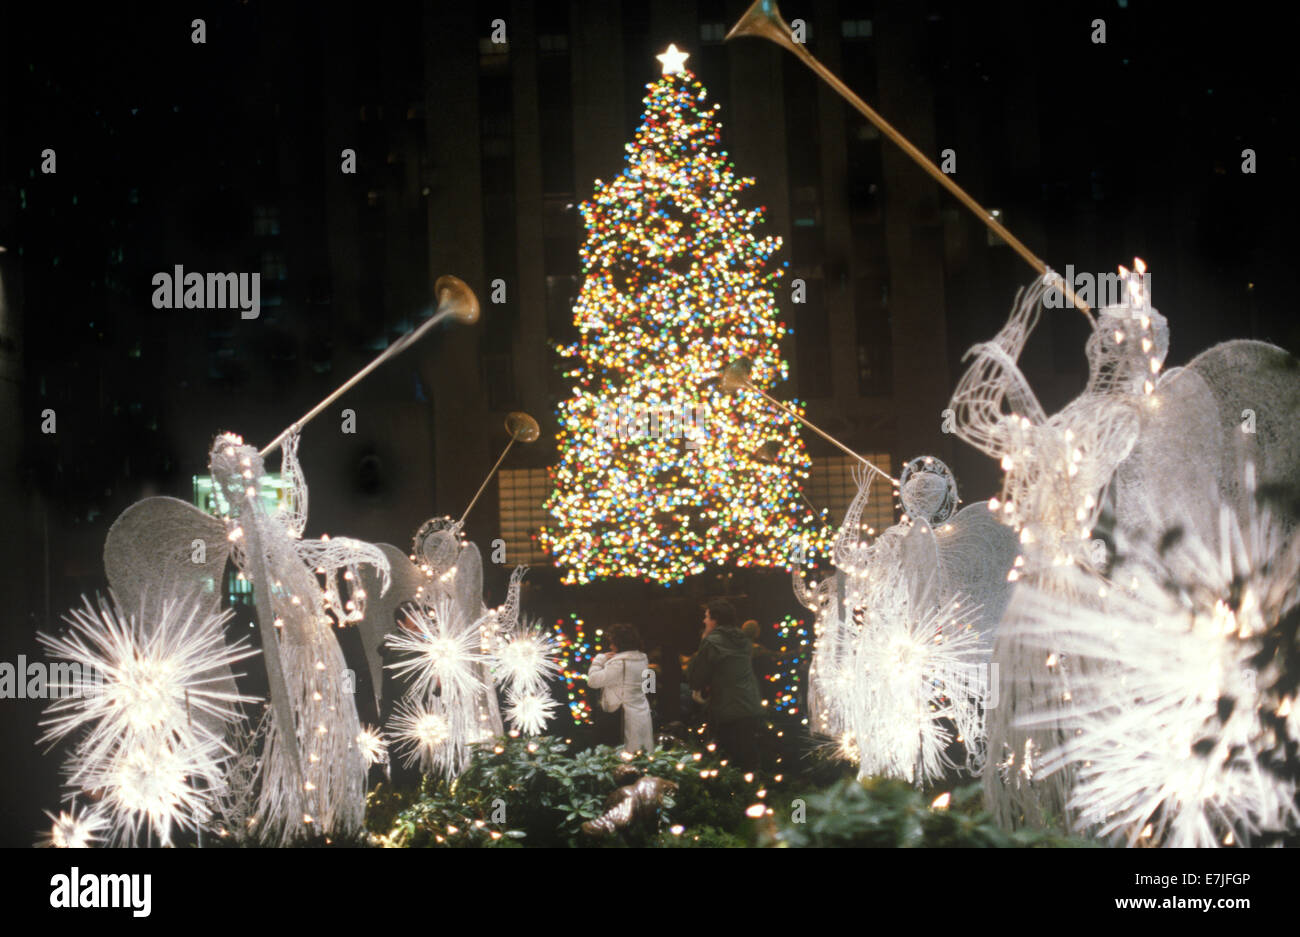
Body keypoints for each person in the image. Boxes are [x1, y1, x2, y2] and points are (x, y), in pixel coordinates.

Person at [686, 600, 764, 771]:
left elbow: (695, 678)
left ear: (715, 620)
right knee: (748, 756)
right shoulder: (743, 639)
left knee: (728, 761)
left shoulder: (712, 642)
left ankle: (739, 794)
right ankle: (755, 791)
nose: (704, 621)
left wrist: (703, 643)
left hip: (726, 708)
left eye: (706, 617)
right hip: (750, 704)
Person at [587, 623, 655, 754]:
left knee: (617, 754)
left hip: (618, 714)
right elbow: (649, 686)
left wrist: (599, 660)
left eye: (612, 642)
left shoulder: (618, 663)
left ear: (619, 643)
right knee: (639, 752)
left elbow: (593, 681)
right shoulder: (643, 659)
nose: (611, 646)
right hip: (640, 712)